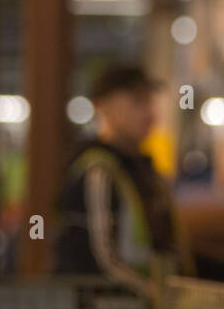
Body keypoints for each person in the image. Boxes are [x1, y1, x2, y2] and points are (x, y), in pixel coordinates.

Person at [52, 64, 189, 294]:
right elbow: (104, 260)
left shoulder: (143, 170)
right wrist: (155, 293)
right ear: (102, 107)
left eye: (150, 101)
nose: (150, 113)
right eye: (137, 102)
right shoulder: (98, 170)